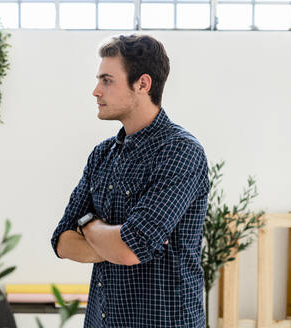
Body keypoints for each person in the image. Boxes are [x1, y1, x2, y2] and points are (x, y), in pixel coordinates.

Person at [50, 34, 209, 327]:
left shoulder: (181, 151)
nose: (96, 91)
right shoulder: (102, 155)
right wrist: (115, 242)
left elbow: (129, 248)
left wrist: (87, 225)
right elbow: (62, 241)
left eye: (107, 80)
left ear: (143, 84)